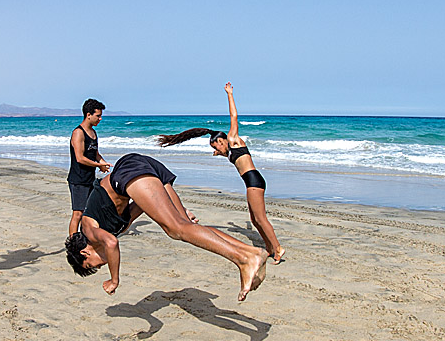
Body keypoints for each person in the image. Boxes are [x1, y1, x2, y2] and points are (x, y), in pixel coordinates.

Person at [64, 152, 268, 301]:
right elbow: (144, 205)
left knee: (175, 229)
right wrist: (178, 210)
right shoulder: (118, 227)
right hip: (141, 170)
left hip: (128, 171)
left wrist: (114, 279)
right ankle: (252, 251)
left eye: (92, 264)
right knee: (184, 226)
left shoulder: (88, 229)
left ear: (84, 251)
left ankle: (243, 260)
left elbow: (111, 243)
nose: (100, 266)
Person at [158, 82, 285, 263]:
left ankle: (278, 248)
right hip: (250, 181)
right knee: (254, 219)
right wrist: (217, 151)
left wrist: (229, 94)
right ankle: (270, 247)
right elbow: (222, 152)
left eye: (215, 145)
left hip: (255, 180)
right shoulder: (227, 151)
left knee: (260, 218)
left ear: (222, 140)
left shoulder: (233, 140)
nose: (214, 149)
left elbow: (234, 116)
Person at [67, 98, 110, 236]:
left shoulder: (93, 132)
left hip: (90, 178)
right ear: (88, 115)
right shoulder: (78, 133)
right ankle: (73, 243)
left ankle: (86, 237)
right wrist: (98, 165)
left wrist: (103, 163)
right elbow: (80, 158)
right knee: (78, 213)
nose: (100, 118)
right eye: (98, 115)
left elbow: (94, 153)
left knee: (90, 212)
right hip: (78, 180)